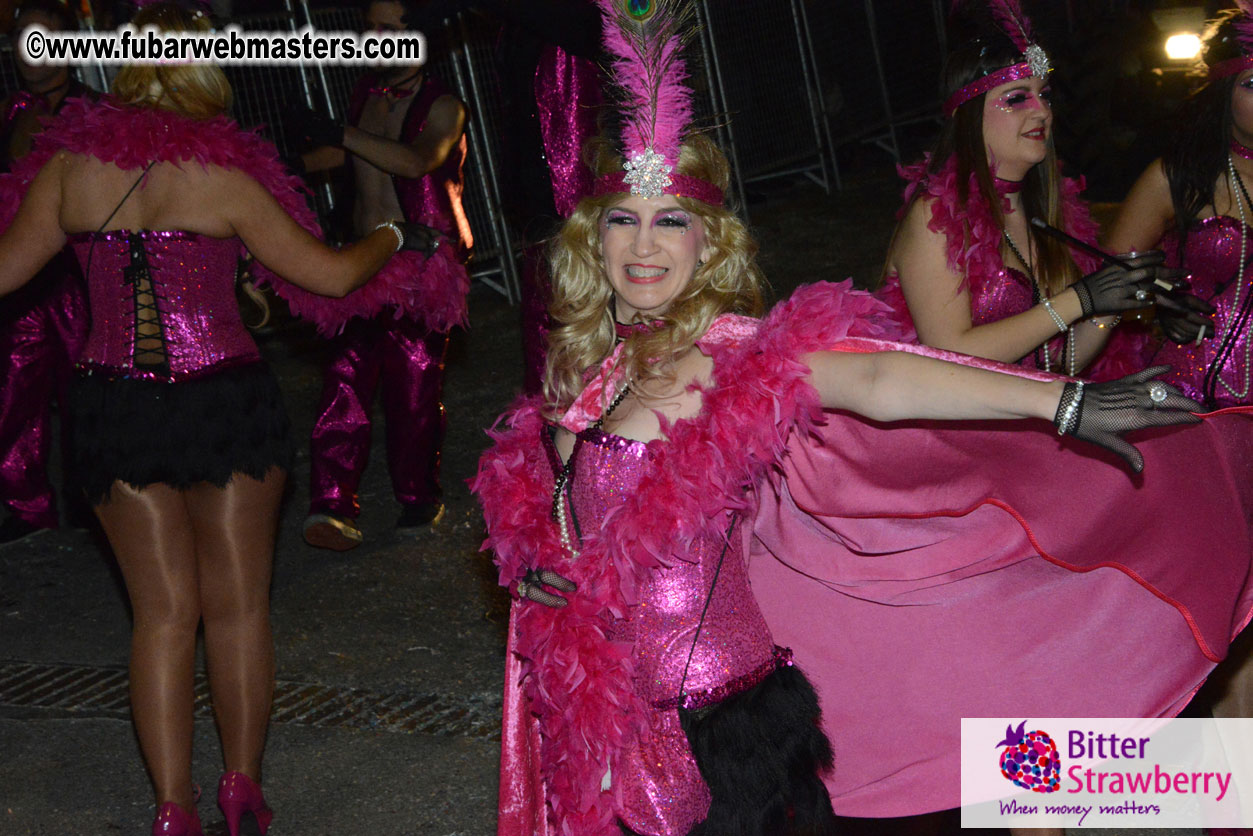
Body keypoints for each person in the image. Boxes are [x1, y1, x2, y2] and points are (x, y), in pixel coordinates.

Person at [473, 2, 1253, 833]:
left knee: (1019, 699)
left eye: (672, 223)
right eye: (623, 222)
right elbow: (568, 512)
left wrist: (1064, 400)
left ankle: (1206, 792)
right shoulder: (590, 379)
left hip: (730, 731)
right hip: (620, 726)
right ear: (592, 245)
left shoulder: (735, 350)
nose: (645, 245)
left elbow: (880, 376)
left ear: (709, 247)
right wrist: (536, 560)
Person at [0, 3, 431, 834]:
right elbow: (332, 278)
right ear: (203, 68)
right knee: (237, 609)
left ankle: (172, 808)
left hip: (110, 404)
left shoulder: (67, 169)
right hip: (223, 398)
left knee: (161, 615)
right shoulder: (226, 172)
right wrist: (389, 234)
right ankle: (241, 788)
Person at [879, 0, 1165, 383]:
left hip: (1038, 418)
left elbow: (1057, 363)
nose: (1042, 112)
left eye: (1044, 94)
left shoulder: (1051, 211)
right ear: (968, 114)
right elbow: (949, 353)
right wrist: (1079, 299)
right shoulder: (936, 214)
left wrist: (1110, 304)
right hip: (968, 432)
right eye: (1016, 98)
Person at [1106, 6, 1253, 725]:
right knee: (1217, 608)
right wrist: (1158, 305)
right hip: (1195, 414)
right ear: (1224, 91)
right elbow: (1108, 288)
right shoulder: (1179, 178)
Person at [290, 0, 472, 550]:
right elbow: (348, 162)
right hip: (364, 261)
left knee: (411, 389)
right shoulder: (366, 96)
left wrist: (340, 134)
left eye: (389, 30)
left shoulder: (445, 105)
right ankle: (331, 504)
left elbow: (417, 161)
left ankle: (418, 495)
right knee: (342, 379)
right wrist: (288, 155)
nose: (376, 39)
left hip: (420, 268)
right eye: (370, 29)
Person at [0, 0, 94, 545]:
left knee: (83, 389)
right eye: (20, 37)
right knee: (12, 390)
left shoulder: (92, 111)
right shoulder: (11, 110)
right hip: (17, 277)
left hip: (74, 276)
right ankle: (25, 505)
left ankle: (92, 498)